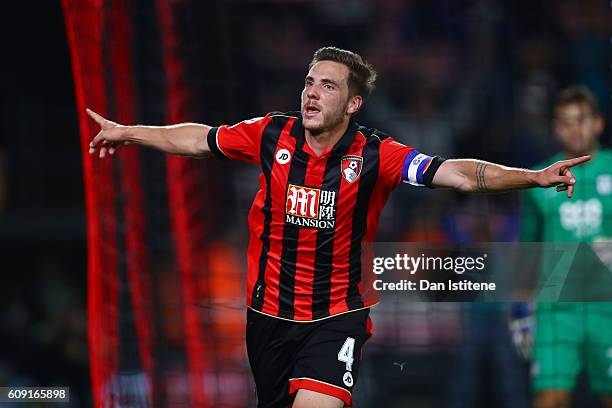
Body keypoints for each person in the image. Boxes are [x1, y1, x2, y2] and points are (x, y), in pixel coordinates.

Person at [87, 47, 590, 408]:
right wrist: (132, 132)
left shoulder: (378, 154)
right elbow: (201, 139)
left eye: (327, 85)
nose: (311, 92)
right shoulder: (271, 134)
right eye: (309, 81)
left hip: (337, 318)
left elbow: (456, 172)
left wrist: (532, 177)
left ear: (352, 104)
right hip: (267, 317)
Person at [520, 86, 612, 408]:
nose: (575, 129)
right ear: (555, 128)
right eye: (565, 122)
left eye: (582, 120)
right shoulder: (539, 181)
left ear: (598, 123)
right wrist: (521, 310)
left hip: (608, 306)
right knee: (550, 398)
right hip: (557, 310)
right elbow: (527, 250)